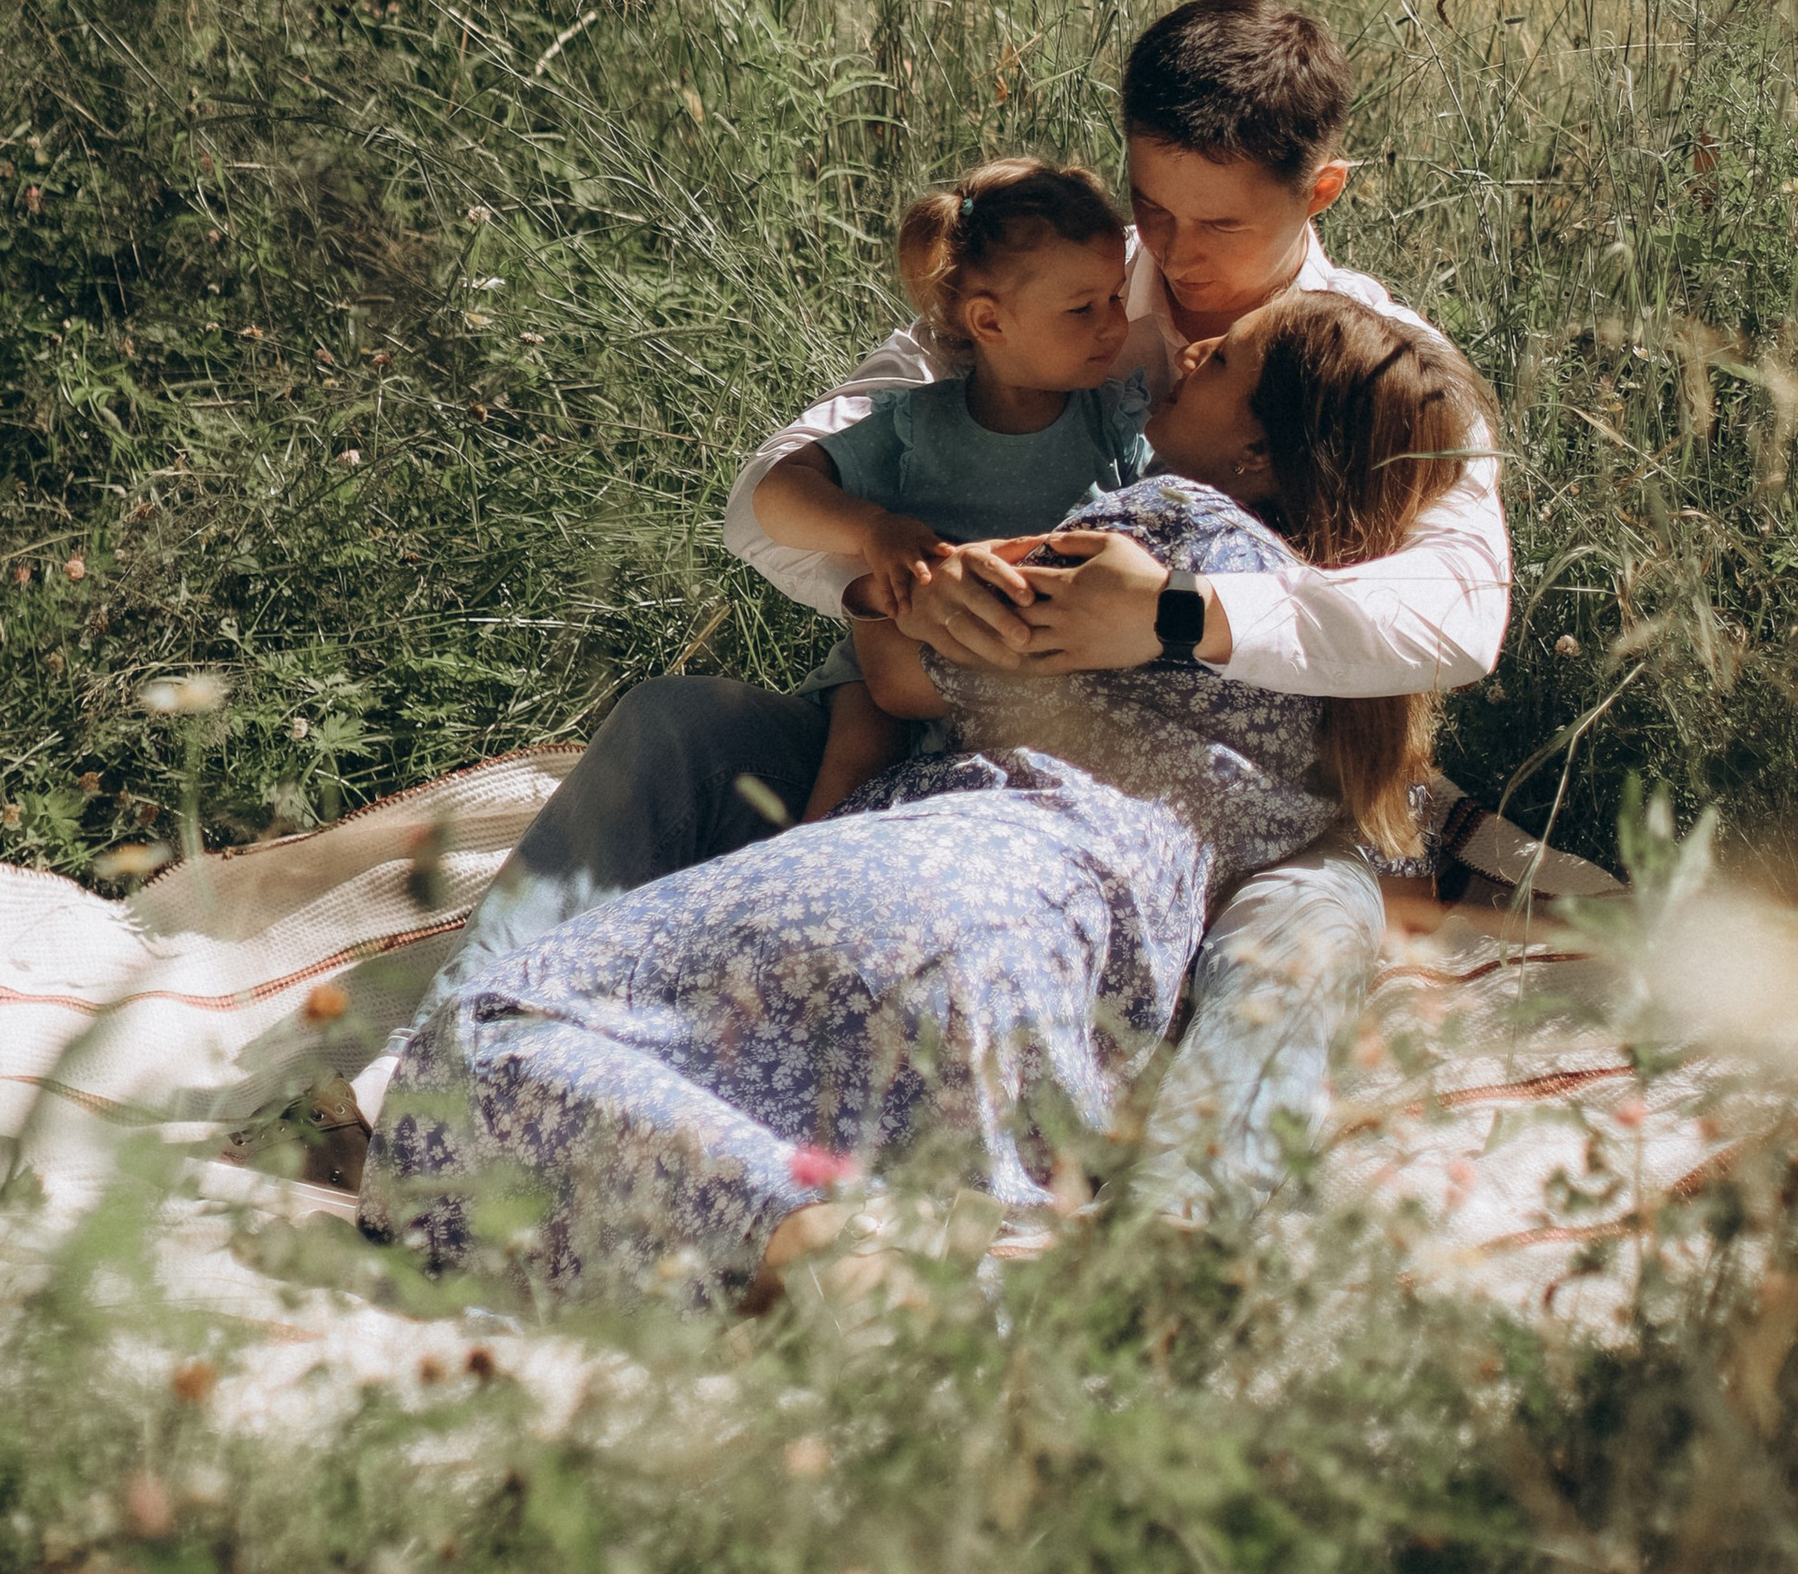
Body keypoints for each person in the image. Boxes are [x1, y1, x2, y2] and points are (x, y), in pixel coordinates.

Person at [426, 0, 1510, 1215]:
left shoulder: (1369, 358)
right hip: (967, 730)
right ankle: (424, 1079)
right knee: (677, 724)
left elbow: (1461, 615)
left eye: (1218, 222)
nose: (1177, 251)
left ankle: (1199, 1220)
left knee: (1307, 919)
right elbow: (774, 498)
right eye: (1154, 206)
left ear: (1319, 194)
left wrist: (1169, 620)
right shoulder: (1065, 285)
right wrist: (908, 562)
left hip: (1242, 795)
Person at [360, 295, 1487, 1303]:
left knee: (484, 1041)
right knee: (736, 1094)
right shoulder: (1354, 703)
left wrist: (891, 583)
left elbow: (900, 667)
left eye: (1225, 359)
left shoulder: (1164, 528)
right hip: (1059, 1014)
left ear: (1254, 451)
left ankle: (808, 1239)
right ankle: (923, 1250)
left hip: (925, 885)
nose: (1188, 351)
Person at [747, 159, 1151, 819]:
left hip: (1036, 677)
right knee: (858, 748)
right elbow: (776, 495)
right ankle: (785, 890)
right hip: (905, 669)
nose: (1114, 325)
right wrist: (873, 530)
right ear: (989, 322)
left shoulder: (1115, 426)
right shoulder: (915, 425)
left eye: (1117, 296)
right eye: (1083, 309)